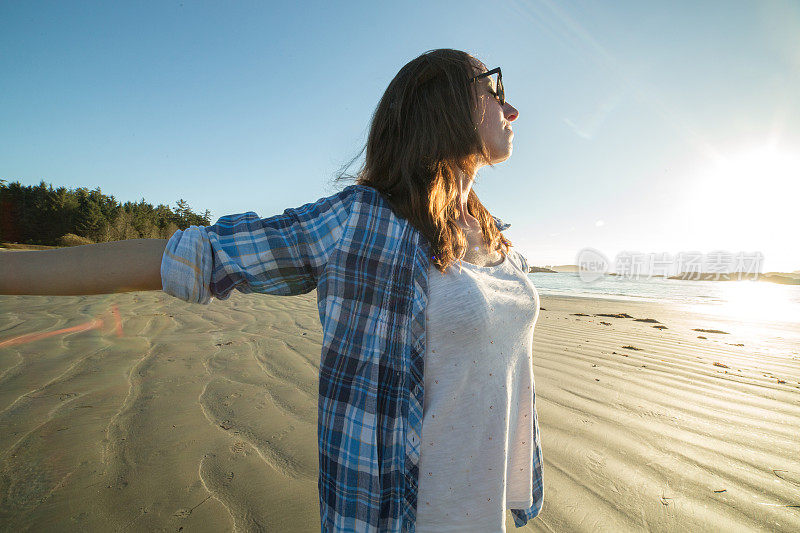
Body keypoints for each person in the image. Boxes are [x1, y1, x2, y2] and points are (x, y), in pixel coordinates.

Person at [1, 48, 543, 532]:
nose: (511, 110)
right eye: (495, 89)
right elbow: (196, 256)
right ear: (443, 103)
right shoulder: (361, 222)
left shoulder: (497, 236)